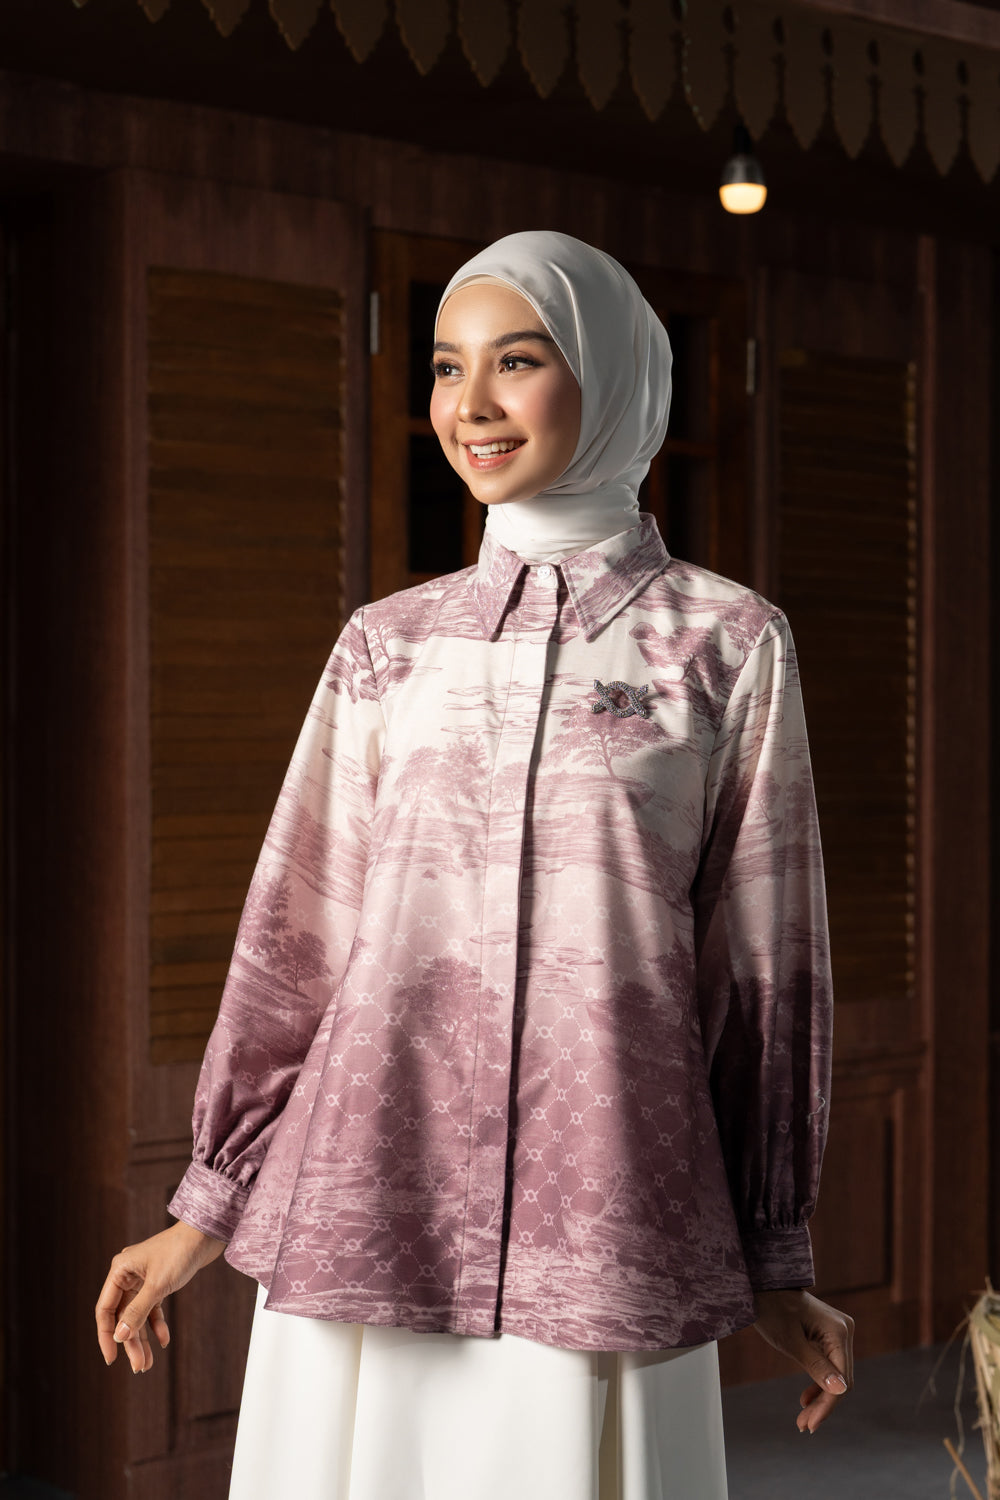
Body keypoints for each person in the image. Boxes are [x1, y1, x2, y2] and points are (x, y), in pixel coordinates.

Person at [96, 231, 853, 1499]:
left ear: (612, 377)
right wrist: (203, 1206)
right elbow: (298, 937)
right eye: (448, 367)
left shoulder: (726, 645)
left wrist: (774, 1252)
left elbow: (763, 970)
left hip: (602, 1218)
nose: (472, 405)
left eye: (518, 361)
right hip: (364, 1206)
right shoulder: (387, 646)